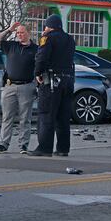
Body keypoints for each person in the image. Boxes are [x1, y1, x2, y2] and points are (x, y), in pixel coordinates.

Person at [29, 14, 76, 157]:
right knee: (63, 116)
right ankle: (63, 148)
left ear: (48, 26)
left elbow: (42, 57)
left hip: (51, 82)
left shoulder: (47, 38)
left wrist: (37, 73)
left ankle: (44, 147)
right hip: (68, 81)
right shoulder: (70, 39)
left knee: (46, 114)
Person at [0, 22, 38, 155]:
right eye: (17, 33)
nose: (19, 35)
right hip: (9, 86)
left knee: (25, 118)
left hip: (26, 86)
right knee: (7, 117)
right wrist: (9, 30)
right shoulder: (12, 46)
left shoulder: (35, 49)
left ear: (29, 33)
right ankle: (3, 144)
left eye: (22, 32)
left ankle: (23, 145)